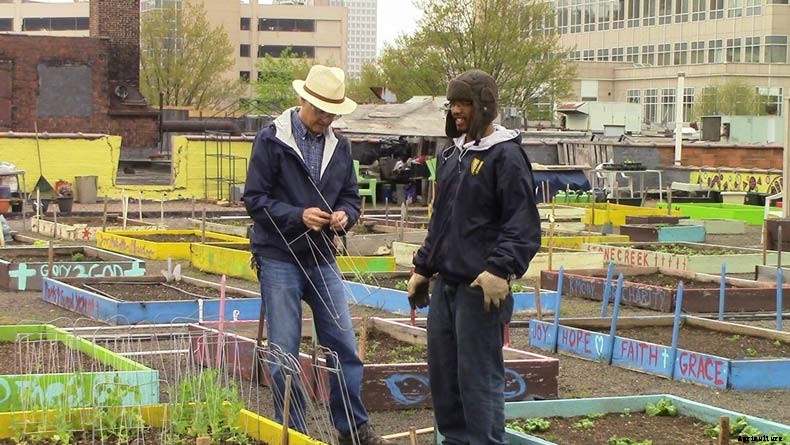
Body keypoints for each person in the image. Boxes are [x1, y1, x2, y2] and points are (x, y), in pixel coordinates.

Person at [243, 64, 390, 445]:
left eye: (332, 112)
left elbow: (351, 197)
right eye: (320, 110)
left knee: (342, 343)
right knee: (284, 349)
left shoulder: (340, 146)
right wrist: (297, 215)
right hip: (278, 257)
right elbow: (255, 200)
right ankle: (293, 434)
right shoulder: (271, 140)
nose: (325, 118)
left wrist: (346, 216)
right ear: (303, 100)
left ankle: (353, 429)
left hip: (322, 257)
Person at [407, 69, 541, 445]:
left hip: (480, 291)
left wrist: (500, 268)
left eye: (463, 103)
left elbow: (523, 223)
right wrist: (423, 266)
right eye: (452, 104)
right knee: (445, 378)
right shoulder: (453, 155)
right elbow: (442, 220)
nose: (456, 111)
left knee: (478, 380)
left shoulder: (507, 156)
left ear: (485, 104)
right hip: (446, 286)